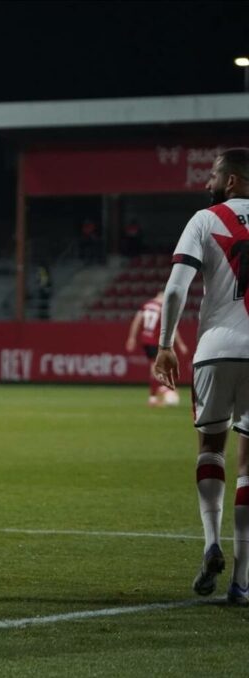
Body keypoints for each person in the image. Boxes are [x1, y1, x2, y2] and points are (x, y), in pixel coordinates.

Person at [153, 147, 249, 607]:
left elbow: (176, 287)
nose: (209, 179)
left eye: (215, 173)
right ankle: (242, 580)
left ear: (231, 181)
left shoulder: (204, 219)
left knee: (211, 447)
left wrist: (165, 345)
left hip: (214, 351)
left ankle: (210, 540)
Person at [125, 290, 188, 406]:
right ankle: (161, 392)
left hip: (146, 341)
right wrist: (181, 344)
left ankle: (157, 394)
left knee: (157, 366)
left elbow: (136, 322)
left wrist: (132, 338)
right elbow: (173, 327)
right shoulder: (163, 307)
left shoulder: (146, 305)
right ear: (163, 297)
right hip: (156, 341)